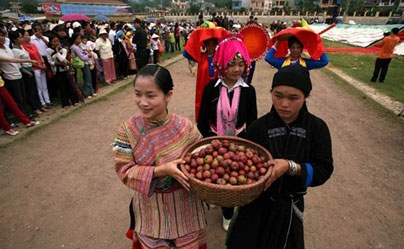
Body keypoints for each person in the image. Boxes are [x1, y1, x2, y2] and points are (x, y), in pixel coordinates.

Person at [226, 64, 334, 249]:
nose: (284, 104)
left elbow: (324, 169)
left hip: (289, 209)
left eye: (294, 98)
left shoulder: (317, 128)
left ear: (305, 97)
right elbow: (239, 158)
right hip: (255, 206)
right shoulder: (258, 128)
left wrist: (291, 167)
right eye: (278, 95)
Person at [112, 64, 207, 249]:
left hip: (185, 207)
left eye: (151, 95)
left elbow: (202, 156)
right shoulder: (127, 130)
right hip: (151, 211)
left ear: (168, 95)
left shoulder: (185, 127)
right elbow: (124, 171)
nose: (143, 102)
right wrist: (160, 171)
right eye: (137, 94)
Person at [197, 34, 257, 232]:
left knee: (233, 177)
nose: (237, 69)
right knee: (215, 174)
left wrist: (244, 143)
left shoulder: (249, 91)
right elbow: (201, 119)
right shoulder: (211, 89)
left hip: (239, 142)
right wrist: (210, 142)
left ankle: (228, 213)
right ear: (222, 63)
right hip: (214, 141)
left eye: (241, 64)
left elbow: (253, 121)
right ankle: (218, 200)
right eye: (231, 64)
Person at [0, 55, 39, 136]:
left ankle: (26, 121)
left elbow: (12, 60)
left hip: (1, 85)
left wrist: (30, 61)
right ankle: (7, 128)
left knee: (12, 104)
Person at [46, 35, 80, 108]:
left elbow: (63, 59)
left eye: (58, 41)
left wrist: (58, 51)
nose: (57, 43)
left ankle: (74, 100)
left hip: (65, 69)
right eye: (54, 41)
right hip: (57, 71)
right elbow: (50, 61)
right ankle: (65, 103)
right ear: (51, 42)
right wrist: (56, 63)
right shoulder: (49, 50)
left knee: (69, 85)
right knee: (62, 87)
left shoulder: (63, 50)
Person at [70, 33, 95, 98]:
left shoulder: (78, 46)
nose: (80, 40)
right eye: (78, 39)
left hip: (85, 62)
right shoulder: (75, 47)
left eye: (80, 38)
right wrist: (88, 55)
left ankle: (91, 91)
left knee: (89, 77)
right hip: (83, 63)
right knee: (87, 78)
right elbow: (82, 57)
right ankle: (86, 93)